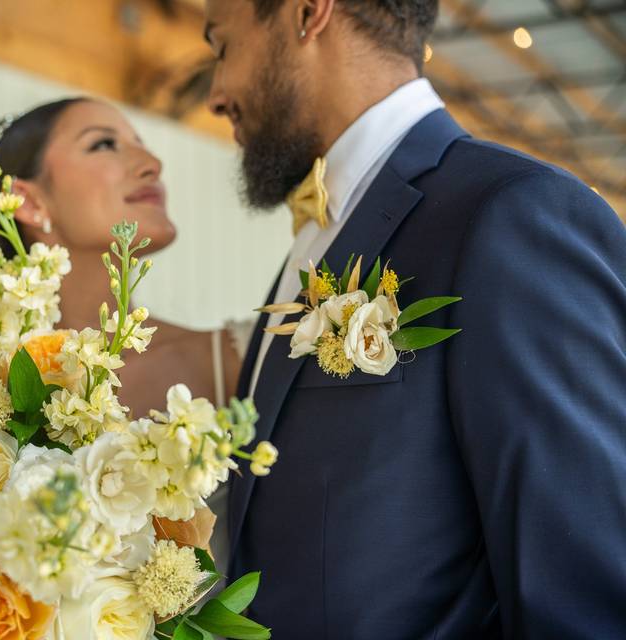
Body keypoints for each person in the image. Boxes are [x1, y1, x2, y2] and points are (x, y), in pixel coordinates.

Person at [203, 0, 626, 637]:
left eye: (221, 47)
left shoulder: (511, 213)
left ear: (309, 13)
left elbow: (584, 596)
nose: (215, 93)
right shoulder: (320, 230)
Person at [0, 98, 251, 567]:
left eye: (142, 145)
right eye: (105, 144)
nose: (152, 164)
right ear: (30, 202)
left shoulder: (232, 360)